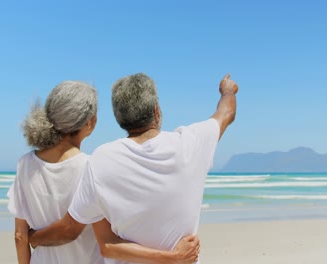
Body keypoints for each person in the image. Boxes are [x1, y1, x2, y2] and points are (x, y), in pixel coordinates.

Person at [29, 73, 238, 263]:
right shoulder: (191, 143)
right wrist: (227, 90)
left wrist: (33, 237)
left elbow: (85, 236)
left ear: (120, 119)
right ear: (156, 111)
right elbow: (226, 112)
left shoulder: (102, 160)